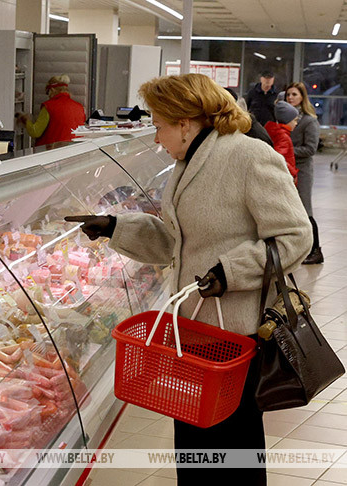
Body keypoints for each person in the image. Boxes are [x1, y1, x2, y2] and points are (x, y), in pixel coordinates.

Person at [66, 74, 311, 486]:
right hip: (195, 331)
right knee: (195, 444)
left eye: (159, 125)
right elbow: (176, 243)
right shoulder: (187, 162)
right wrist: (114, 227)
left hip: (236, 334)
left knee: (232, 446)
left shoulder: (249, 156)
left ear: (184, 123)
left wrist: (229, 272)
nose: (156, 137)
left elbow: (295, 236)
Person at [285, 81, 323, 264]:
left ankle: (316, 250)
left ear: (302, 97)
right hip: (287, 169)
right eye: (288, 94)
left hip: (303, 170)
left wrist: (287, 150)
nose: (290, 98)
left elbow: (310, 149)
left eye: (294, 94)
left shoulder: (309, 120)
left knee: (305, 210)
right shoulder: (284, 118)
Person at [19, 74, 86, 145]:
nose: (48, 95)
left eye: (47, 92)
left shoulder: (49, 107)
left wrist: (26, 120)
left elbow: (35, 132)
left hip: (52, 149)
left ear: (52, 90)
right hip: (74, 148)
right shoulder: (79, 107)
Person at [264, 101, 299, 184]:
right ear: (287, 121)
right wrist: (292, 173)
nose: (296, 123)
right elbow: (278, 157)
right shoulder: (283, 137)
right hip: (284, 175)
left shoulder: (274, 132)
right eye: (295, 120)